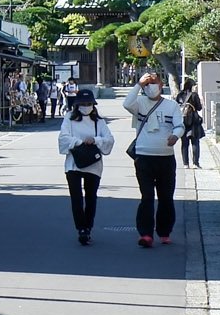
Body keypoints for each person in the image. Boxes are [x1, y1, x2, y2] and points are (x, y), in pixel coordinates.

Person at [122, 72, 184, 247]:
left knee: (166, 197)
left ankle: (164, 232)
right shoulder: (140, 103)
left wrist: (176, 135)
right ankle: (146, 234)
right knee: (147, 196)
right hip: (144, 156)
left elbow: (180, 125)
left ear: (161, 83)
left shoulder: (171, 106)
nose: (151, 86)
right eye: (147, 84)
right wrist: (138, 85)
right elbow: (127, 104)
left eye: (153, 82)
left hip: (165, 157)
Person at [56, 88, 115, 245]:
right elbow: (63, 137)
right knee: (76, 198)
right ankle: (80, 228)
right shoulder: (69, 118)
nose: (86, 106)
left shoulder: (99, 121)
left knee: (90, 197)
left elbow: (109, 139)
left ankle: (88, 227)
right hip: (73, 163)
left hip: (93, 165)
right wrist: (79, 142)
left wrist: (95, 140)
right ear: (77, 104)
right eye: (83, 103)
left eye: (89, 103)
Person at [180, 85, 207, 168]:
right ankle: (195, 163)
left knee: (184, 143)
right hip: (193, 121)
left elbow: (176, 104)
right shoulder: (194, 95)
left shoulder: (180, 95)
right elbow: (199, 108)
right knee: (195, 142)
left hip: (183, 120)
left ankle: (185, 164)